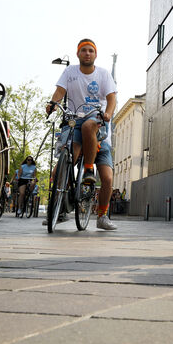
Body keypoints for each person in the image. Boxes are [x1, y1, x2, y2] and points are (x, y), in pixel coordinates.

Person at [46, 39, 118, 230]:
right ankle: (60, 209)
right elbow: (60, 91)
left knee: (108, 178)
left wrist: (108, 113)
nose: (87, 53)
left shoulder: (103, 74)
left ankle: (101, 214)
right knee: (62, 164)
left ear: (95, 55)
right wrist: (53, 104)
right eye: (83, 50)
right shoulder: (70, 72)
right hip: (73, 120)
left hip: (97, 122)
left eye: (91, 51)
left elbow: (112, 98)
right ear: (78, 54)